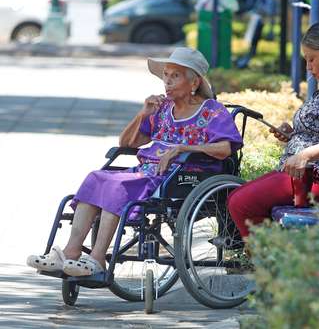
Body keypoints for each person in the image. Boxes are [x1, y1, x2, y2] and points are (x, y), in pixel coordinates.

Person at [27, 47, 243, 276]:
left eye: (175, 76)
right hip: (147, 172)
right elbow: (127, 143)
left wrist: (182, 148)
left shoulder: (212, 111)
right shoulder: (162, 110)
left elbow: (225, 148)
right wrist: (143, 114)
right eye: (166, 76)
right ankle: (70, 253)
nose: (167, 82)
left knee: (119, 186)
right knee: (97, 178)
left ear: (194, 83)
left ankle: (98, 259)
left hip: (183, 175)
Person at [227, 21, 319, 239]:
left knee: (242, 203)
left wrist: (304, 154)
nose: (308, 67)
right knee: (238, 197)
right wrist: (293, 133)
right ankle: (275, 259)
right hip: (314, 176)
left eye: (311, 59)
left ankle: (271, 265)